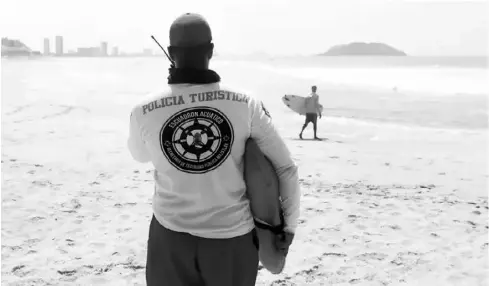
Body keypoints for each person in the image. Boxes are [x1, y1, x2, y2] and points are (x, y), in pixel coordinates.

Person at [127, 13, 301, 286]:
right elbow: (286, 168)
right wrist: (288, 227)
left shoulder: (143, 110)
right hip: (232, 241)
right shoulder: (245, 104)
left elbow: (139, 155)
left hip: (169, 236)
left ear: (171, 54)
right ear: (211, 50)